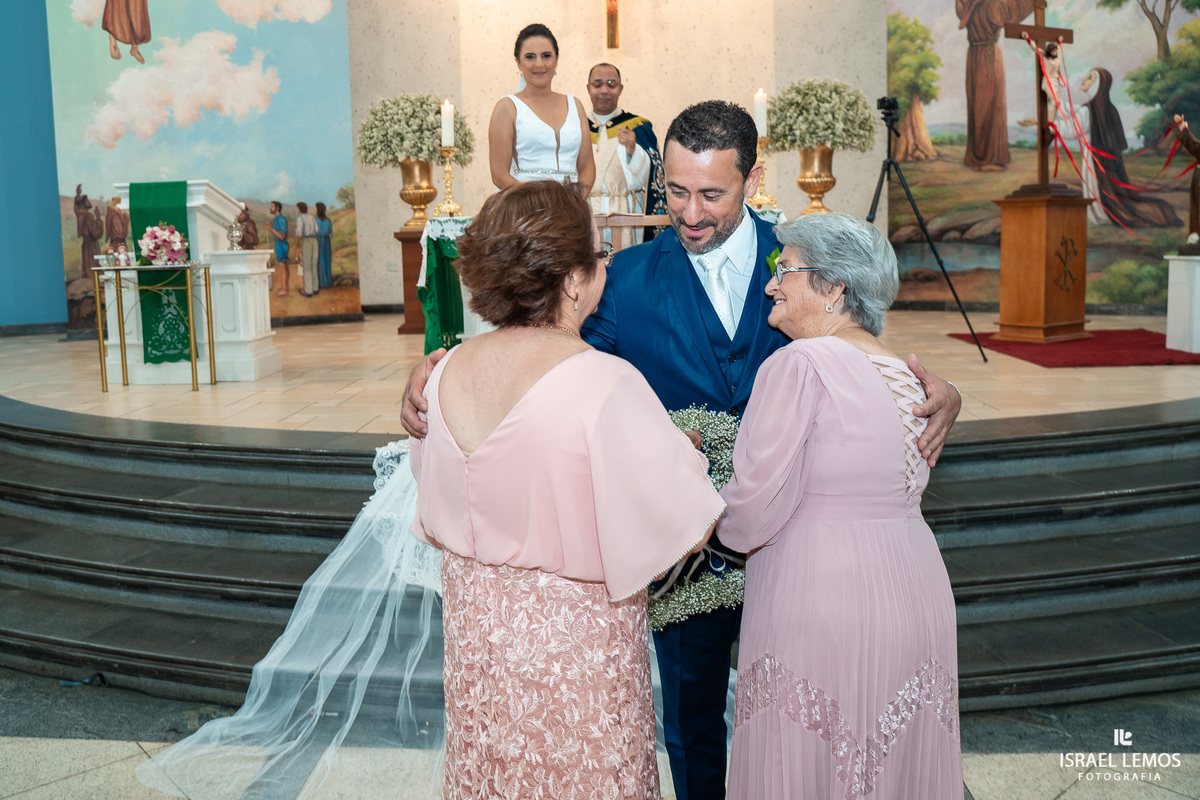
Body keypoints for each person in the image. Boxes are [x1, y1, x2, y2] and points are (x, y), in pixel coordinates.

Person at [403, 100, 963, 800]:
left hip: (810, 556)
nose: (690, 213)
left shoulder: (801, 262)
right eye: (673, 191)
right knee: (692, 722)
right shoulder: (625, 277)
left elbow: (863, 348)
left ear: (752, 176)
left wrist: (937, 389)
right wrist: (443, 370)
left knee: (831, 722)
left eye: (712, 194)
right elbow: (546, 366)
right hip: (677, 557)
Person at [410, 179, 724, 798]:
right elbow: (688, 529)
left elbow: (455, 486)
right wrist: (682, 456)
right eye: (599, 254)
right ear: (573, 281)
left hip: (479, 651)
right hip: (575, 655)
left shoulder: (442, 373)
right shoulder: (604, 382)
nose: (607, 265)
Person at [719, 212, 962, 799]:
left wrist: (679, 495)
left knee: (811, 765)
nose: (772, 284)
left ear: (834, 288)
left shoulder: (799, 364)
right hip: (917, 590)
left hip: (821, 598)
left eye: (786, 271)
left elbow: (748, 514)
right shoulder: (916, 379)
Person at [488, 24, 595, 193]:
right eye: (530, 57)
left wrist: (576, 201)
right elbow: (499, 174)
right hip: (525, 208)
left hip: (573, 208)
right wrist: (538, 201)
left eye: (546, 56)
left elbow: (587, 166)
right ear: (518, 63)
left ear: (556, 59)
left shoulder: (575, 105)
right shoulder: (507, 107)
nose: (539, 64)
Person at [1075, 69, 1180, 229]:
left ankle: (1101, 213)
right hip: (1105, 161)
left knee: (1108, 197)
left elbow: (1071, 129)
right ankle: (1100, 212)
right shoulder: (1108, 109)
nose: (1084, 80)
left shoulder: (1087, 110)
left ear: (1098, 85)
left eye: (1089, 78)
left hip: (1096, 162)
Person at [585, 63, 666, 246]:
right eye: (597, 84)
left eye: (611, 84)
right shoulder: (577, 128)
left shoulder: (638, 127)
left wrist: (633, 152)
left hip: (626, 216)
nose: (604, 90)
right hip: (586, 216)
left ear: (620, 89)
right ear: (588, 88)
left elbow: (656, 176)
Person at [956, 0, 1038, 171]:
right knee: (990, 105)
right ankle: (989, 159)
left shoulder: (968, 4)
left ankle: (979, 157)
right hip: (989, 57)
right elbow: (1015, 10)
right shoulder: (993, 5)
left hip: (974, 56)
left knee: (980, 106)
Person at [74, 185, 104, 281]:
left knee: (88, 267)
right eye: (86, 200)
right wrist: (98, 219)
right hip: (92, 246)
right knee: (93, 269)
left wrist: (77, 195)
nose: (89, 201)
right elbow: (95, 233)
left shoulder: (80, 215)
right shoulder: (88, 216)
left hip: (86, 245)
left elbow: (76, 208)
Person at [295, 201, 319, 297]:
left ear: (299, 209)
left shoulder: (300, 219)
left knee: (307, 266)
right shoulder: (312, 217)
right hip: (314, 240)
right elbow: (317, 229)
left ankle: (308, 291)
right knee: (314, 264)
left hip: (307, 241)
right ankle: (315, 288)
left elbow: (299, 233)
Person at [269, 200, 290, 296]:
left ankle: (284, 289)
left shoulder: (281, 219)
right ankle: (285, 287)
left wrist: (270, 229)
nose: (270, 208)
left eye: (272, 206)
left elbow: (281, 236)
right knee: (284, 266)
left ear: (277, 208)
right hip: (279, 245)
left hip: (282, 245)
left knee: (283, 267)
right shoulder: (276, 219)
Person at [315, 202, 334, 289]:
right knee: (326, 261)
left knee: (319, 261)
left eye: (316, 208)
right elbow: (330, 234)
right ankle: (327, 282)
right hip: (326, 242)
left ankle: (320, 282)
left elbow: (314, 232)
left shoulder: (315, 220)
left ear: (318, 210)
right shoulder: (328, 220)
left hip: (318, 241)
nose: (315, 210)